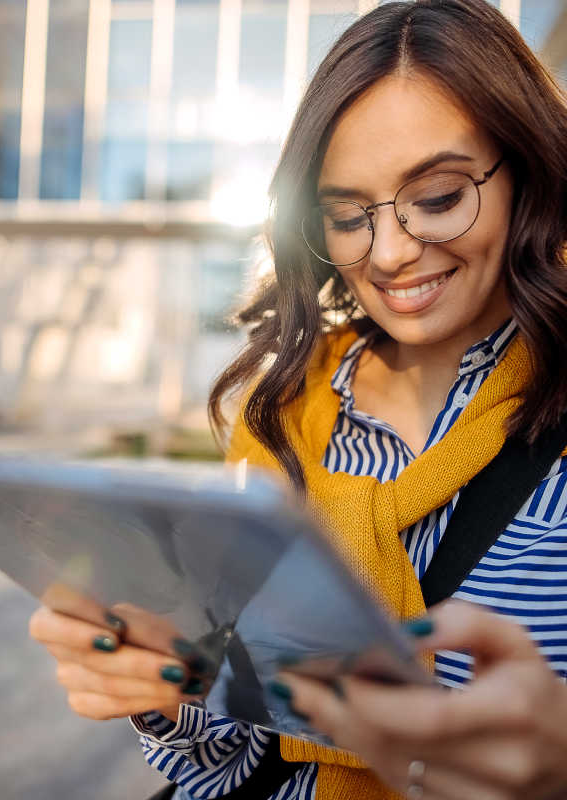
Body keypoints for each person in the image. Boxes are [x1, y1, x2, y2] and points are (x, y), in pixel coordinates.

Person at [29, 0, 567, 797]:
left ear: (526, 168)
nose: (387, 252)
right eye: (347, 215)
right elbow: (241, 759)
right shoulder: (279, 415)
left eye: (440, 197)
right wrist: (164, 688)